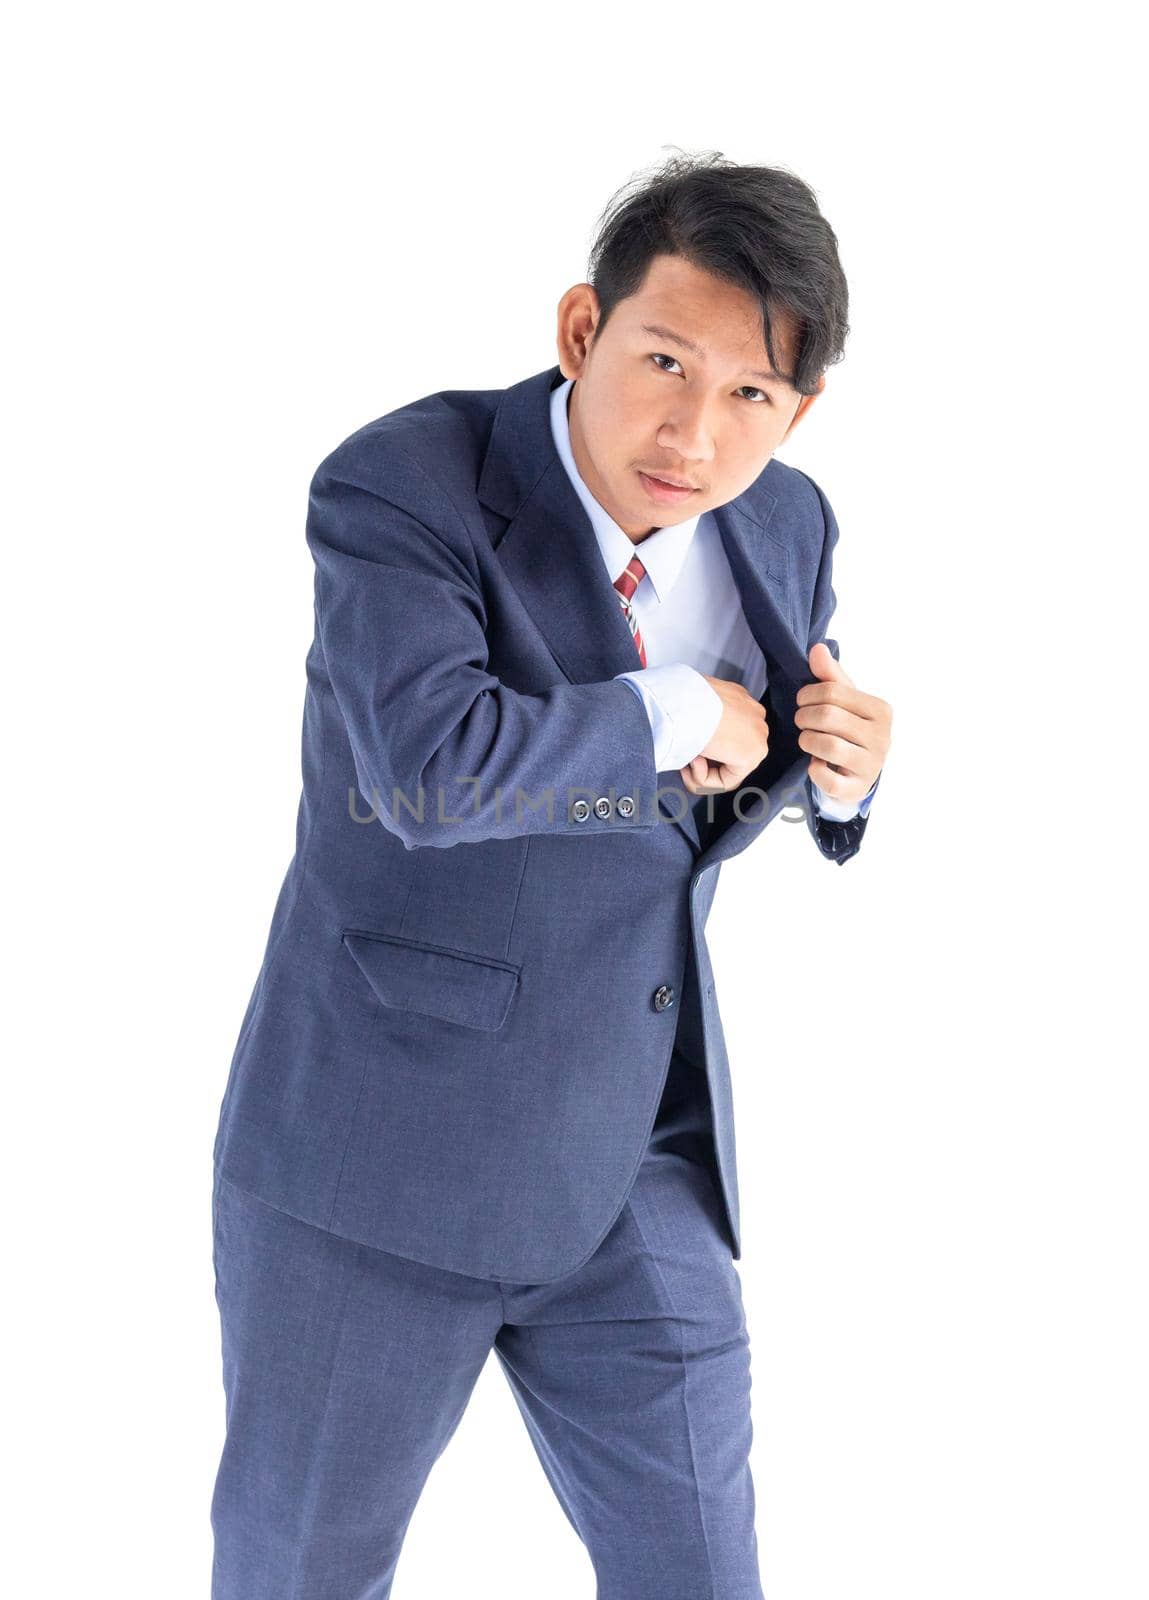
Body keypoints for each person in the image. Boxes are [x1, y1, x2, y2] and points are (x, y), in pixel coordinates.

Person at [209, 151, 893, 1598]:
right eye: (662, 362)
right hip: (376, 1169)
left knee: (703, 1574)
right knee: (299, 1578)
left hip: (628, 1157)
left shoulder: (790, 523)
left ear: (799, 408)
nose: (693, 435)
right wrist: (673, 712)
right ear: (582, 329)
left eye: (750, 396)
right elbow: (429, 769)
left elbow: (707, 799)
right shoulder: (405, 484)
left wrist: (836, 779)